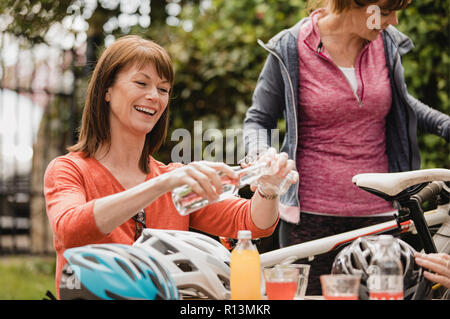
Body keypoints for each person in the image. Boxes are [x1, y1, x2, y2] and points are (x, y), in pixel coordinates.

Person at [44, 35, 296, 298]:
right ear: (106, 90)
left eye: (163, 90)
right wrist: (161, 184)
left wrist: (268, 190)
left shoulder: (173, 178)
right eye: (141, 83)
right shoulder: (69, 170)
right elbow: (70, 230)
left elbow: (252, 222)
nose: (154, 96)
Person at [243, 0, 450, 295]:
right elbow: (258, 119)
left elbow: (404, 105)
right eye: (387, 11)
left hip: (381, 214)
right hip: (311, 218)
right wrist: (262, 157)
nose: (394, 21)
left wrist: (445, 125)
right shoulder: (291, 47)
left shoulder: (386, 44)